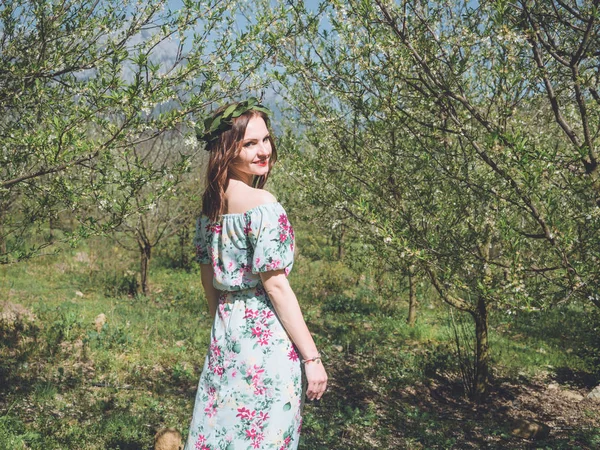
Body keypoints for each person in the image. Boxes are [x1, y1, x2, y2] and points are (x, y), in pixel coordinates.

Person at [184, 98, 328, 450]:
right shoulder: (264, 206)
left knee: (223, 433)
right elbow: (276, 286)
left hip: (227, 333)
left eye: (265, 139)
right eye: (250, 143)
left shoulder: (209, 207)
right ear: (227, 149)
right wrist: (312, 358)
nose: (263, 150)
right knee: (264, 437)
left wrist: (224, 329)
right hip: (267, 340)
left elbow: (209, 282)